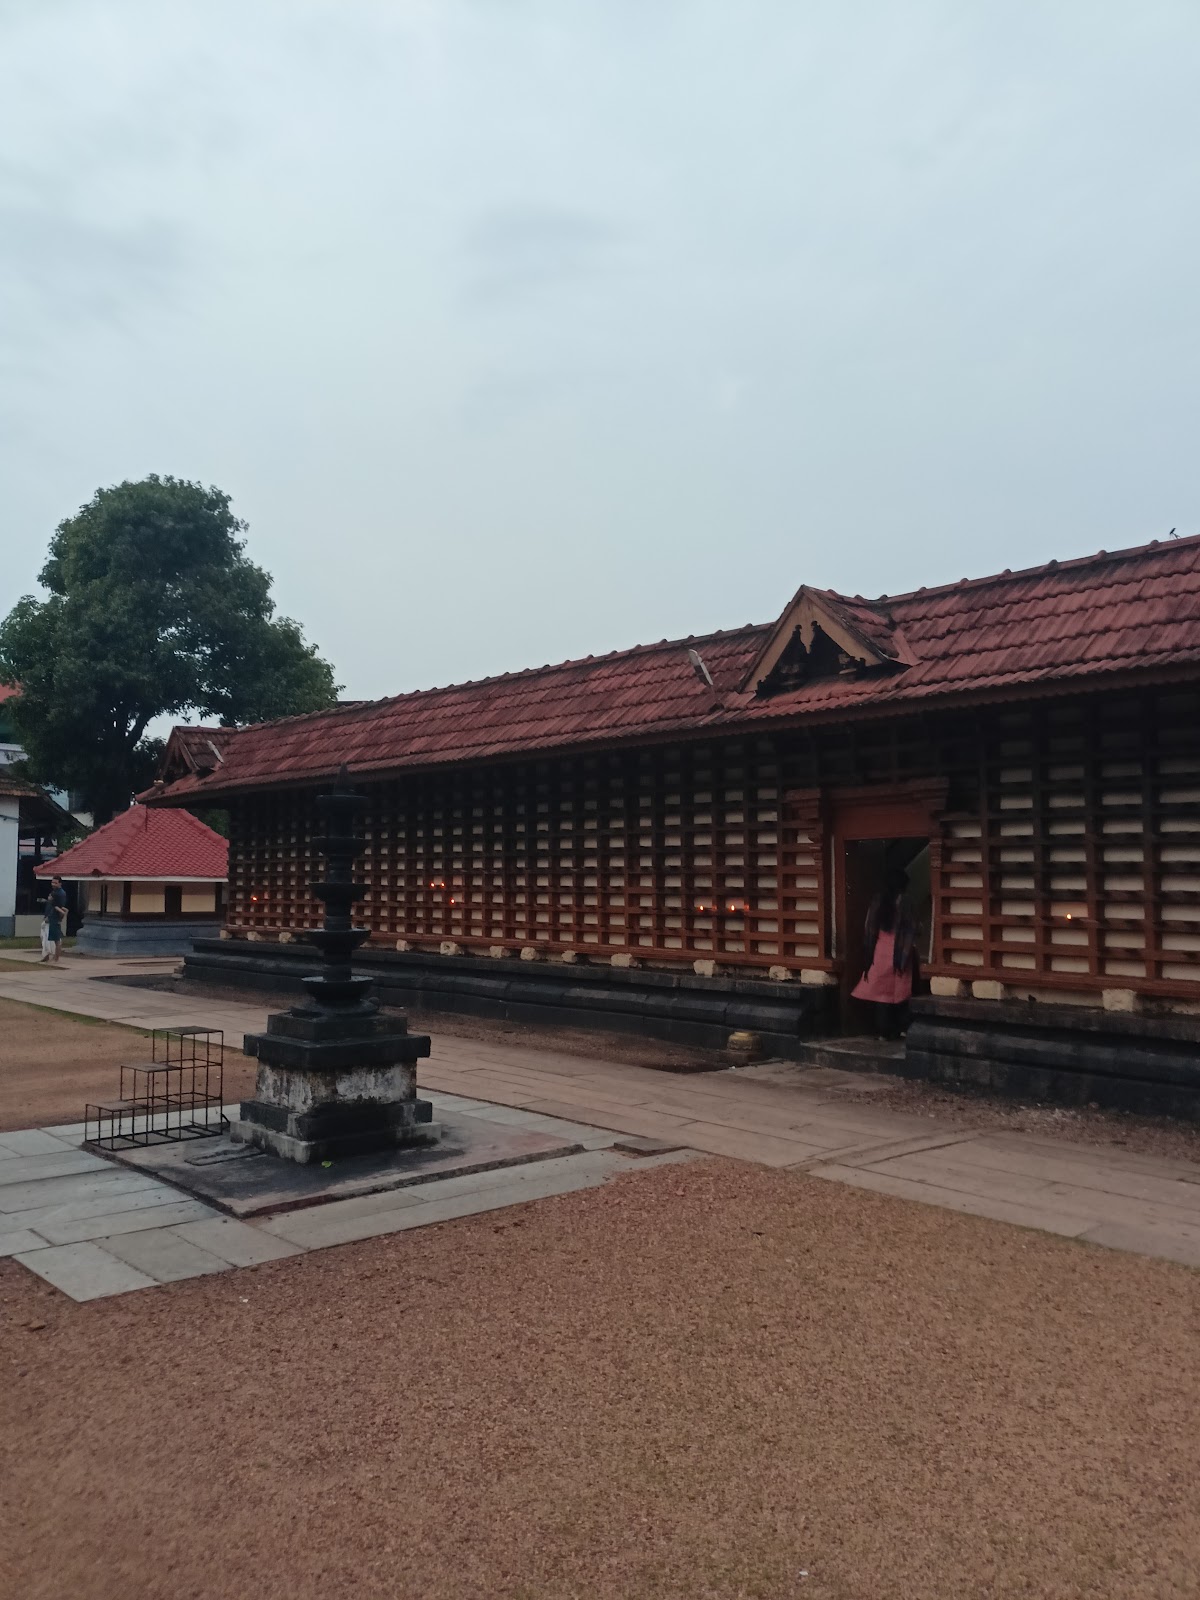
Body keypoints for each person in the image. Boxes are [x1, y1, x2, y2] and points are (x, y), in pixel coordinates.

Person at [852, 866, 917, 1038]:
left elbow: (869, 927)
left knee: (881, 995)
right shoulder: (907, 902)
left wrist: (868, 952)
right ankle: (902, 1029)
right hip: (901, 951)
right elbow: (912, 928)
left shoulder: (878, 900)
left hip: (880, 950)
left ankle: (883, 1032)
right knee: (901, 993)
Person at [39, 876, 68, 965]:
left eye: (55, 883)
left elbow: (61, 909)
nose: (53, 884)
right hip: (50, 917)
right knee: (44, 937)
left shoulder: (60, 894)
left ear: (60, 883)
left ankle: (56, 958)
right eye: (52, 882)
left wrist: (59, 919)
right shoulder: (55, 892)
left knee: (56, 940)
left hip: (54, 919)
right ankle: (46, 955)